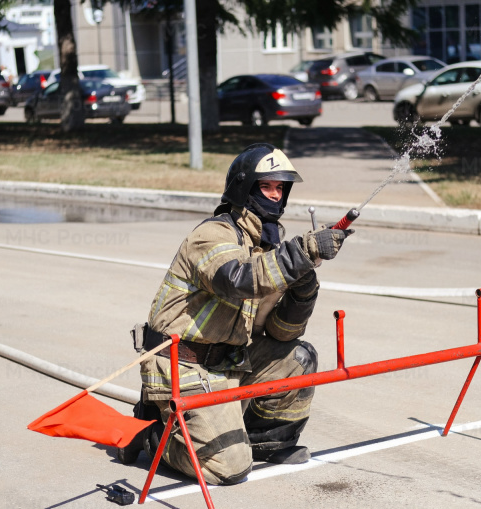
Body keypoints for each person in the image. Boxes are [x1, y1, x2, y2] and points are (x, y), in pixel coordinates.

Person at [120, 143, 353, 485]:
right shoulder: (213, 235)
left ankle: (264, 442)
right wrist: (303, 252)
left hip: (230, 361)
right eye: (266, 186)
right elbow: (238, 279)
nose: (275, 196)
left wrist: (304, 291)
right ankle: (154, 434)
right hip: (185, 365)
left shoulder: (266, 247)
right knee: (227, 468)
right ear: (245, 187)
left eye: (280, 188)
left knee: (298, 358)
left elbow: (281, 334)